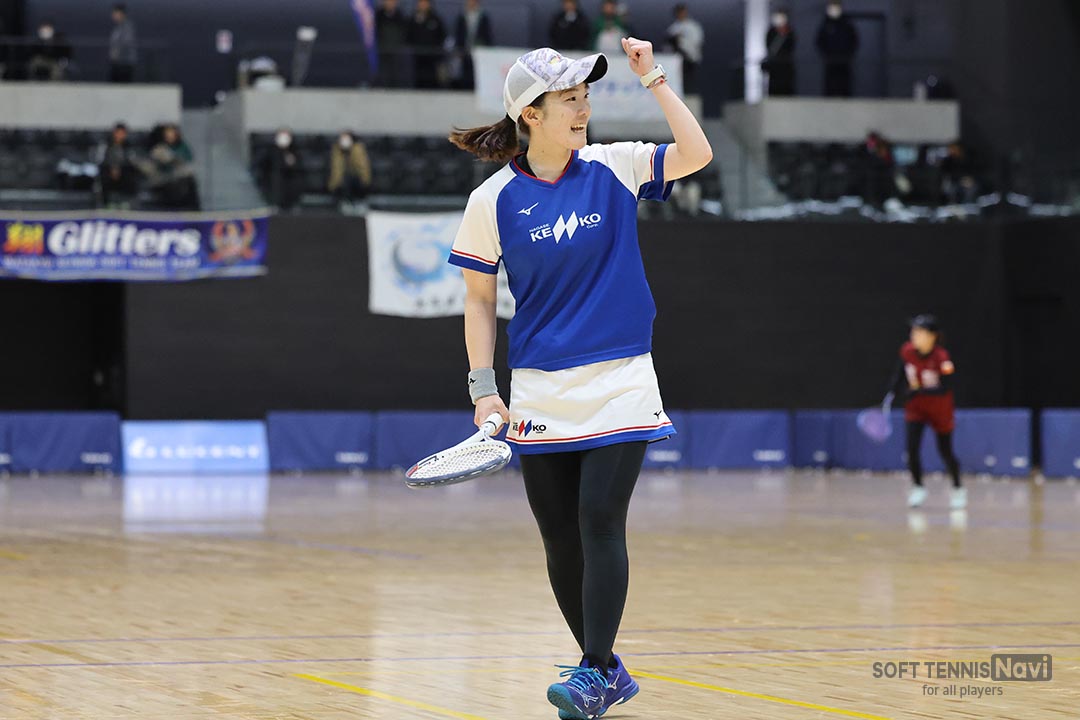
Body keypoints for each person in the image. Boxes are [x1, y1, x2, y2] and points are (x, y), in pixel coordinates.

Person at [447, 40, 712, 719]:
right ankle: (606, 667)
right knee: (559, 535)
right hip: (539, 387)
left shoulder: (615, 166)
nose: (584, 107)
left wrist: (653, 78)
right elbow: (478, 300)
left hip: (621, 378)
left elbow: (697, 153)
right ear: (530, 115)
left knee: (599, 516)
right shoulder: (492, 200)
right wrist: (484, 388)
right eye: (570, 98)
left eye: (586, 95)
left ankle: (593, 671)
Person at [887, 315, 965, 510]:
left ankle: (957, 488)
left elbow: (946, 387)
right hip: (916, 409)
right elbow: (900, 372)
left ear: (932, 336)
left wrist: (919, 390)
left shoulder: (942, 358)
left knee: (945, 451)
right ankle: (918, 487)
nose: (913, 335)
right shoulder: (907, 351)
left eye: (919, 332)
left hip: (940, 410)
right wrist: (893, 390)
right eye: (913, 331)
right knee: (911, 450)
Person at [143, 124, 199, 209]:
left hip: (181, 183)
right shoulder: (159, 148)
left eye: (171, 133)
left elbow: (188, 161)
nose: (169, 136)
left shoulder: (183, 147)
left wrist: (174, 160)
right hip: (164, 183)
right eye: (167, 133)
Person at [815, 0, 858, 97]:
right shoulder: (825, 24)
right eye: (832, 7)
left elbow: (854, 41)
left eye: (836, 7)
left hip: (844, 62)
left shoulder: (847, 24)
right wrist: (827, 55)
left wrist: (848, 55)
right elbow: (819, 42)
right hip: (830, 62)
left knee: (844, 86)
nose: (834, 10)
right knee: (830, 86)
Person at [259, 129, 304, 211]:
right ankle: (275, 204)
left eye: (286, 136)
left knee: (295, 180)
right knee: (275, 178)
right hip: (275, 180)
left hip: (291, 178)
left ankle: (292, 204)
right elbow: (264, 166)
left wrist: (292, 163)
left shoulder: (294, 151)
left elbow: (300, 166)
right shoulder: (271, 151)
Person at [327, 131, 372, 213]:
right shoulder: (337, 150)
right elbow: (336, 169)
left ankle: (358, 202)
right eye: (343, 139)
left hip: (357, 180)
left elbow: (362, 168)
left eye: (346, 139)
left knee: (351, 179)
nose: (344, 141)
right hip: (341, 181)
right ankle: (345, 202)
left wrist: (351, 152)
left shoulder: (358, 149)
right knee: (343, 181)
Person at [97, 122, 140, 208]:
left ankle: (125, 202)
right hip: (108, 169)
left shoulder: (129, 146)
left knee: (130, 174)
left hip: (124, 171)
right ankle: (107, 203)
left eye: (122, 133)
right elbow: (99, 159)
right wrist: (112, 168)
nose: (119, 136)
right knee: (104, 174)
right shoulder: (105, 145)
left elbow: (133, 160)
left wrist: (119, 168)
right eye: (118, 133)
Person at [452, 0, 493, 90]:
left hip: (479, 52)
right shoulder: (462, 17)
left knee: (477, 74)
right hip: (464, 51)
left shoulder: (483, 17)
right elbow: (458, 34)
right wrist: (458, 48)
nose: (471, 3)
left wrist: (486, 50)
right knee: (465, 73)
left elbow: (487, 35)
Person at [407, 0, 447, 89]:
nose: (423, 5)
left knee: (432, 83)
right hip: (417, 58)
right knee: (418, 82)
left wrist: (436, 50)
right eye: (421, 2)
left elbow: (442, 36)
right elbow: (408, 36)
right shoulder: (413, 19)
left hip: (432, 59)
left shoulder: (436, 19)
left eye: (425, 2)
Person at [666, 3, 704, 95]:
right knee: (677, 81)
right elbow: (668, 45)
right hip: (676, 60)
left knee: (689, 81)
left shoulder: (693, 26)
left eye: (682, 12)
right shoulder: (673, 28)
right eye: (679, 12)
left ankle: (690, 94)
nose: (681, 14)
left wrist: (681, 40)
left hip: (690, 58)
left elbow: (697, 41)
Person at [375, 0, 409, 88]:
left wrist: (398, 45)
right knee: (383, 70)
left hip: (396, 49)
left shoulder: (400, 15)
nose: (390, 3)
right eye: (388, 1)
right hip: (382, 49)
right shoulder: (378, 15)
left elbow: (403, 33)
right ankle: (382, 87)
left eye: (392, 1)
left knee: (396, 71)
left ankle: (395, 88)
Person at [762, 9, 796, 96]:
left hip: (785, 66)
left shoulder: (790, 32)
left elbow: (791, 47)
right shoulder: (771, 32)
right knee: (774, 90)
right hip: (774, 66)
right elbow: (768, 46)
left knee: (786, 89)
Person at [108, 3, 137, 83]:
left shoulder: (127, 27)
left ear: (121, 14)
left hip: (124, 64)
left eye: (115, 13)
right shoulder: (118, 27)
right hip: (117, 64)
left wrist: (117, 51)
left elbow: (126, 42)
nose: (113, 15)